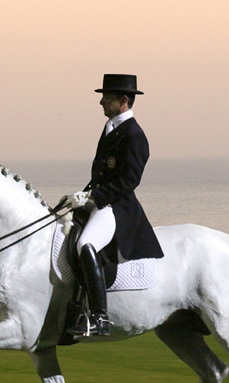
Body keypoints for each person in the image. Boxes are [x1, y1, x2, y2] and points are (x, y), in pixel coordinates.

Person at [64, 74, 164, 337]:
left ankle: (99, 318)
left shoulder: (134, 135)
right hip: (100, 201)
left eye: (106, 98)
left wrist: (95, 198)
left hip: (116, 208)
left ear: (123, 100)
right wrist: (82, 196)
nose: (101, 102)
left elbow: (129, 181)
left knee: (86, 245)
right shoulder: (111, 127)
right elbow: (102, 174)